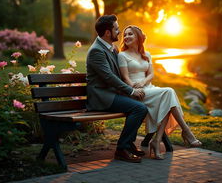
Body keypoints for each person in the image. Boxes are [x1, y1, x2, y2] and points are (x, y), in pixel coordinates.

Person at [118, 25, 202, 160]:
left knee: (167, 98)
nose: (126, 37)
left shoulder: (146, 54)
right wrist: (134, 87)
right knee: (168, 93)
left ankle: (157, 141)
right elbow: (125, 77)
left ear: (138, 37)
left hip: (148, 87)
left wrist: (144, 83)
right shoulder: (122, 55)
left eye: (130, 34)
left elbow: (151, 74)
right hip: (135, 92)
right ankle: (186, 132)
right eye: (125, 35)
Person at [86, 15, 148, 163]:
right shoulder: (97, 51)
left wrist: (136, 84)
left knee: (144, 103)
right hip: (102, 97)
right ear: (108, 32)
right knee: (139, 108)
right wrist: (131, 91)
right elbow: (109, 77)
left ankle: (129, 144)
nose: (119, 32)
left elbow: (119, 73)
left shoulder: (111, 48)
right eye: (116, 29)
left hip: (112, 93)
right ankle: (122, 149)